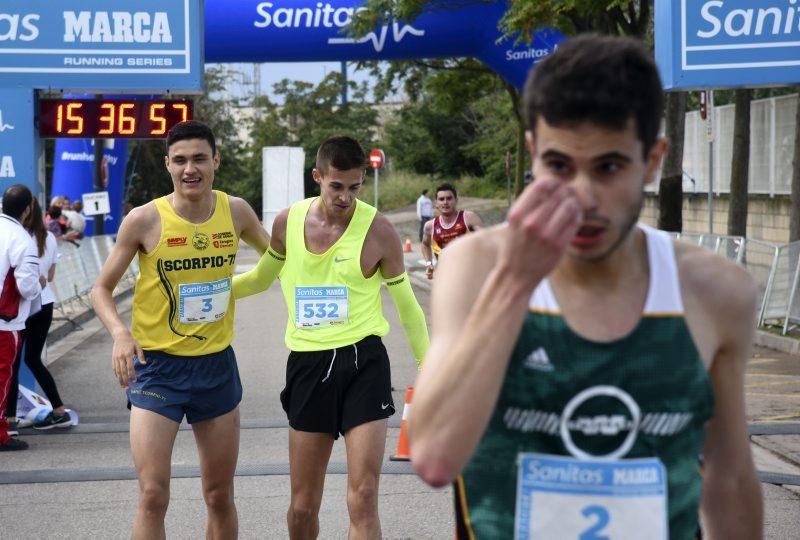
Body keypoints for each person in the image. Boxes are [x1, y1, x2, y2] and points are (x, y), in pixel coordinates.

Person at [409, 35, 762, 540]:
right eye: (558, 166)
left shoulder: (716, 290)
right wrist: (515, 281)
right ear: (532, 153)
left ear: (654, 159)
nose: (583, 198)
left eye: (609, 167)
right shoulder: (477, 267)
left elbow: (728, 480)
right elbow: (434, 457)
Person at [233, 135, 429, 538]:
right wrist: (208, 291)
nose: (345, 197)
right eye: (336, 186)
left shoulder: (379, 230)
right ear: (317, 177)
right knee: (303, 507)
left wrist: (429, 368)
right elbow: (260, 279)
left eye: (354, 187)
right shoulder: (288, 221)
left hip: (364, 363)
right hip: (309, 365)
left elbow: (408, 306)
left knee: (363, 495)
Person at [91, 120, 270, 538]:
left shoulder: (236, 211)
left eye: (200, 159)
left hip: (215, 368)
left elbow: (278, 261)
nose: (191, 169)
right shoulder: (144, 220)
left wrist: (234, 287)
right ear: (168, 164)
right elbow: (101, 288)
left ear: (216, 162)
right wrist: (120, 332)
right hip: (157, 369)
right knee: (153, 494)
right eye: (181, 160)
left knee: (219, 494)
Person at [5, 198, 70, 430]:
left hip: (21, 306)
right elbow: (50, 276)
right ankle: (59, 410)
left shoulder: (15, 236)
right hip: (45, 303)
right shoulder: (49, 238)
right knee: (33, 360)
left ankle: (9, 419)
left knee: (11, 363)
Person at [0, 185, 45, 451]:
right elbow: (27, 286)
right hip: (5, 323)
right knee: (2, 377)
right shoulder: (22, 239)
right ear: (28, 209)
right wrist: (39, 282)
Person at [421, 183, 482, 279]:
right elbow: (425, 244)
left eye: (449, 198)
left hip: (470, 276)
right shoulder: (430, 226)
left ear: (456, 201)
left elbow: (485, 238)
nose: (445, 202)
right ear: (436, 203)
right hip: (445, 278)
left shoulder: (468, 218)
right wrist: (429, 264)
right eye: (441, 199)